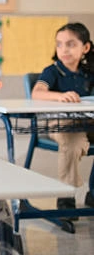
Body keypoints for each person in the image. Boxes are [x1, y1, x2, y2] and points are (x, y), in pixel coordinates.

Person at [31, 22, 94, 213]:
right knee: (73, 144)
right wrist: (59, 96)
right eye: (59, 44)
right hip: (60, 124)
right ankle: (66, 197)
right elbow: (37, 92)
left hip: (88, 123)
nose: (63, 49)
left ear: (86, 48)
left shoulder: (89, 72)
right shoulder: (53, 71)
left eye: (70, 44)